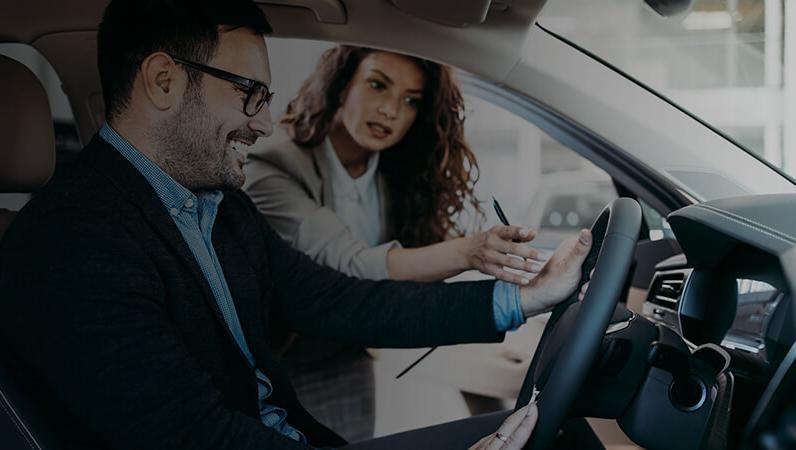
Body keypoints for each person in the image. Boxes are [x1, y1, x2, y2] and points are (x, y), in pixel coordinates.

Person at [0, 0, 593, 449]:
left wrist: (525, 297)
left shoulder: (217, 206)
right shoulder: (71, 245)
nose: (263, 123)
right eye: (250, 94)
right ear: (163, 81)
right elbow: (194, 436)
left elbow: (341, 302)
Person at [243, 45, 543, 440]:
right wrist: (470, 251)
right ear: (341, 84)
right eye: (377, 85)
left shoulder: (396, 171)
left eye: (410, 101)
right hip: (274, 365)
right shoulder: (274, 167)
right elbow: (350, 266)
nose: (390, 110)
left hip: (347, 352)